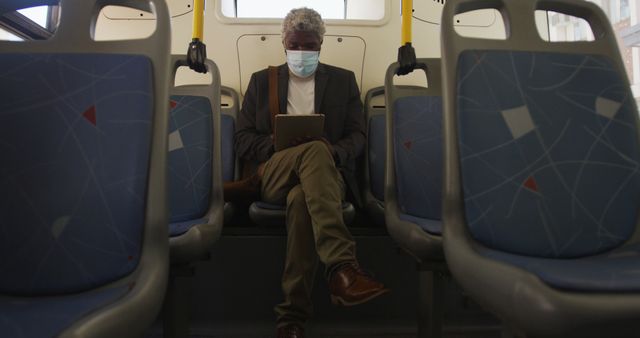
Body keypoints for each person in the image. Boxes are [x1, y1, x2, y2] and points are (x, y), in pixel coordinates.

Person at [233, 7, 389, 338]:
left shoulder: (343, 81)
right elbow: (242, 139)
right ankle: (343, 267)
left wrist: (332, 151)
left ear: (321, 45)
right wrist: (275, 143)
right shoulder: (262, 82)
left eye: (309, 46)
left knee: (303, 199)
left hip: (323, 180)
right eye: (295, 45)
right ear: (283, 44)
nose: (301, 53)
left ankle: (291, 319)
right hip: (273, 172)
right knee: (314, 151)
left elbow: (358, 137)